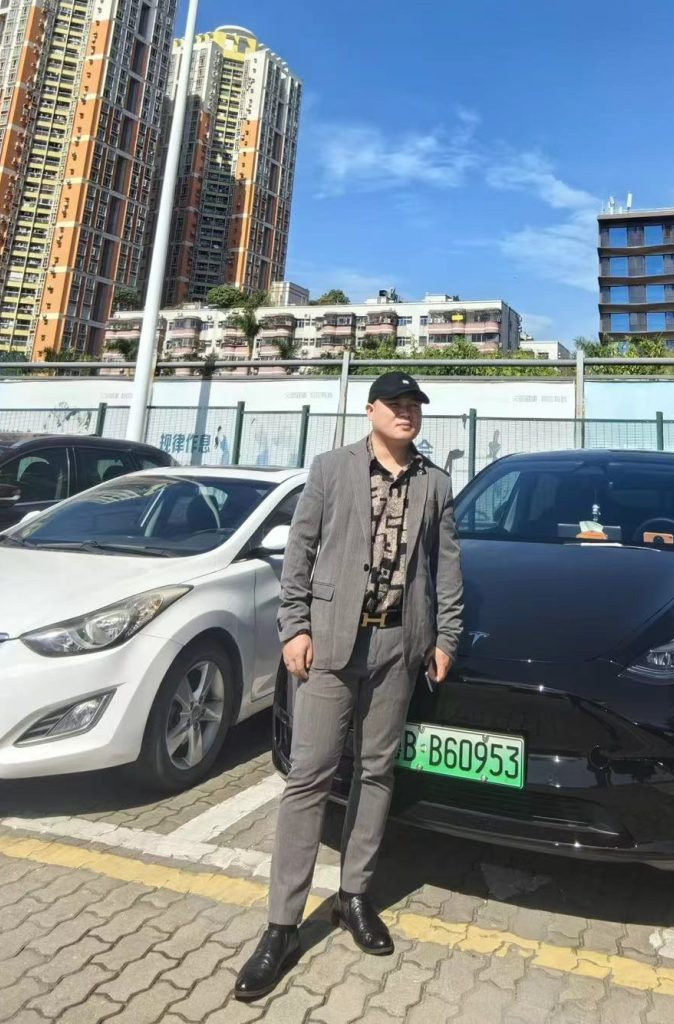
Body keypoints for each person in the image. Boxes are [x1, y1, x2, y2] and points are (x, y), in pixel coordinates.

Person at [234, 371, 464, 1001]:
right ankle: (282, 926)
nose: (407, 413)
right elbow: (299, 553)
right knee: (309, 775)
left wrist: (445, 637)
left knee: (377, 771)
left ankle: (354, 895)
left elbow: (446, 567)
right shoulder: (332, 469)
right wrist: (294, 627)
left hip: (398, 648)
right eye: (396, 404)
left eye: (414, 405)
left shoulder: (435, 483)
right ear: (370, 411)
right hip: (331, 646)